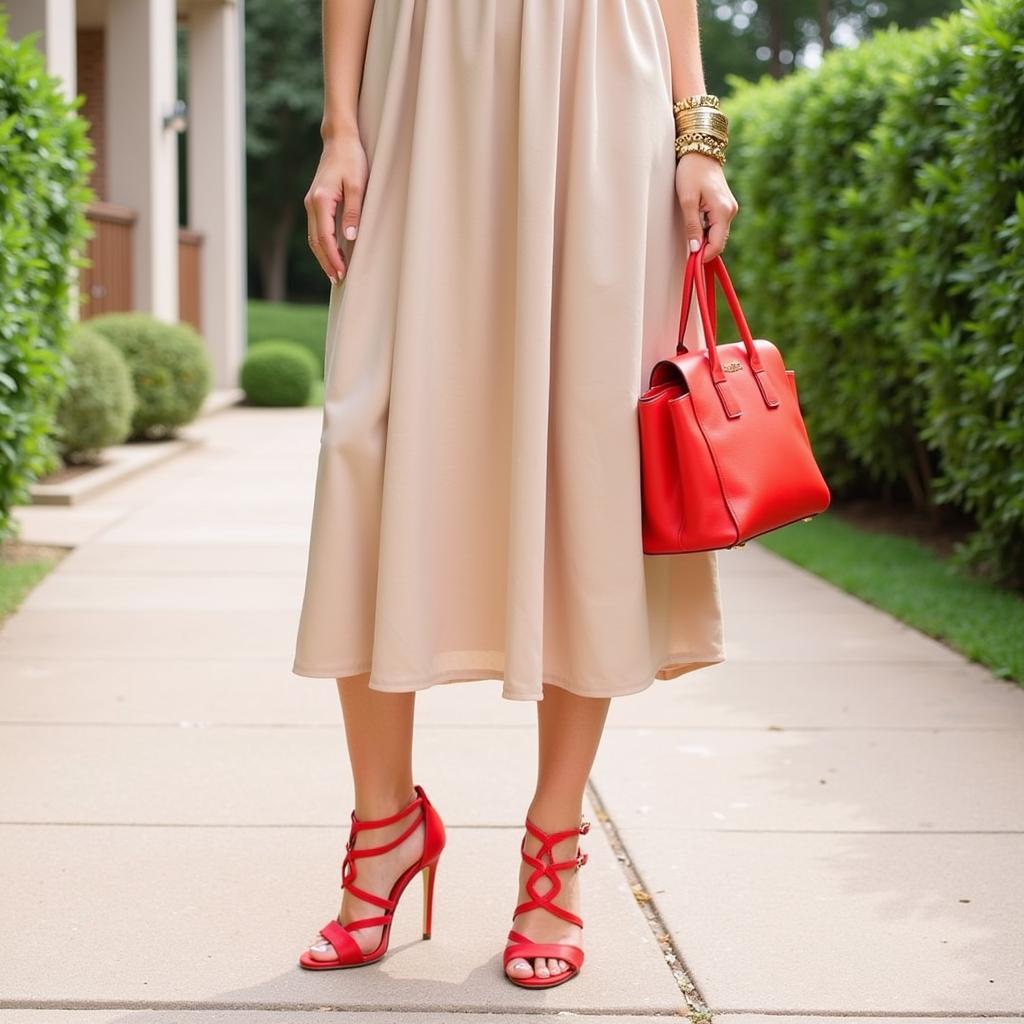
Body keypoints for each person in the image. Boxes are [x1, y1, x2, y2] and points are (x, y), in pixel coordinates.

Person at [292, 0, 738, 990]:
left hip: (601, 81)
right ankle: (382, 829)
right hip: (421, 78)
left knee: (587, 444)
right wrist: (340, 124)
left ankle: (554, 844)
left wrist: (696, 135)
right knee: (370, 433)